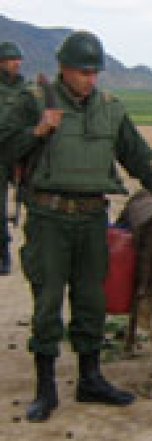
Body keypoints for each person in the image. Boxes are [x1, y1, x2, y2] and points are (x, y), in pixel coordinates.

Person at [0, 30, 152, 422]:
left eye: (95, 72)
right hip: (49, 218)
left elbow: (139, 158)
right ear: (63, 69)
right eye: (83, 71)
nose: (90, 79)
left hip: (91, 218)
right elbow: (5, 147)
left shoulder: (111, 109)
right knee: (48, 302)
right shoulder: (33, 103)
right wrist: (38, 131)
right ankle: (45, 390)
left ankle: (90, 379)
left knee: (91, 301)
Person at [0, 41, 25, 275]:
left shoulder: (25, 91)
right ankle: (3, 252)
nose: (16, 64)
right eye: (11, 60)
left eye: (18, 60)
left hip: (19, 155)